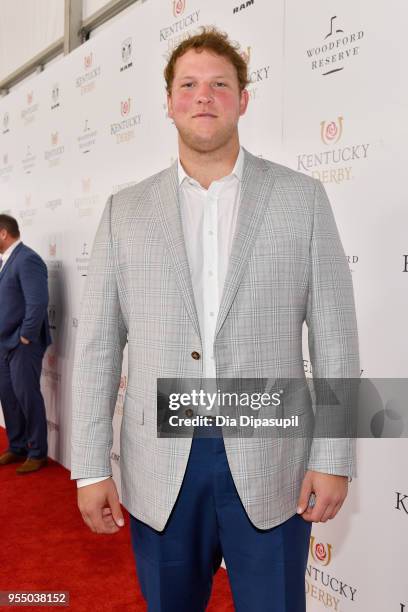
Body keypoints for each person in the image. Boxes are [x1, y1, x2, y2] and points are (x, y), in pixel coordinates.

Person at [71, 27, 359, 611]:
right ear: (169, 102)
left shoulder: (301, 199)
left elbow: (335, 336)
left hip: (271, 455)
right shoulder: (124, 211)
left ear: (244, 99)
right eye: (189, 85)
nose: (204, 96)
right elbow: (99, 346)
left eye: (220, 85)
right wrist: (88, 467)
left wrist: (332, 456)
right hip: (160, 464)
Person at [0, 214, 51, 474]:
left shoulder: (27, 259)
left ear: (3, 233)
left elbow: (38, 302)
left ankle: (37, 451)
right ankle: (17, 446)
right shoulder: (5, 261)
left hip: (23, 344)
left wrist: (26, 336)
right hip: (3, 343)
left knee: (27, 396)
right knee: (8, 397)